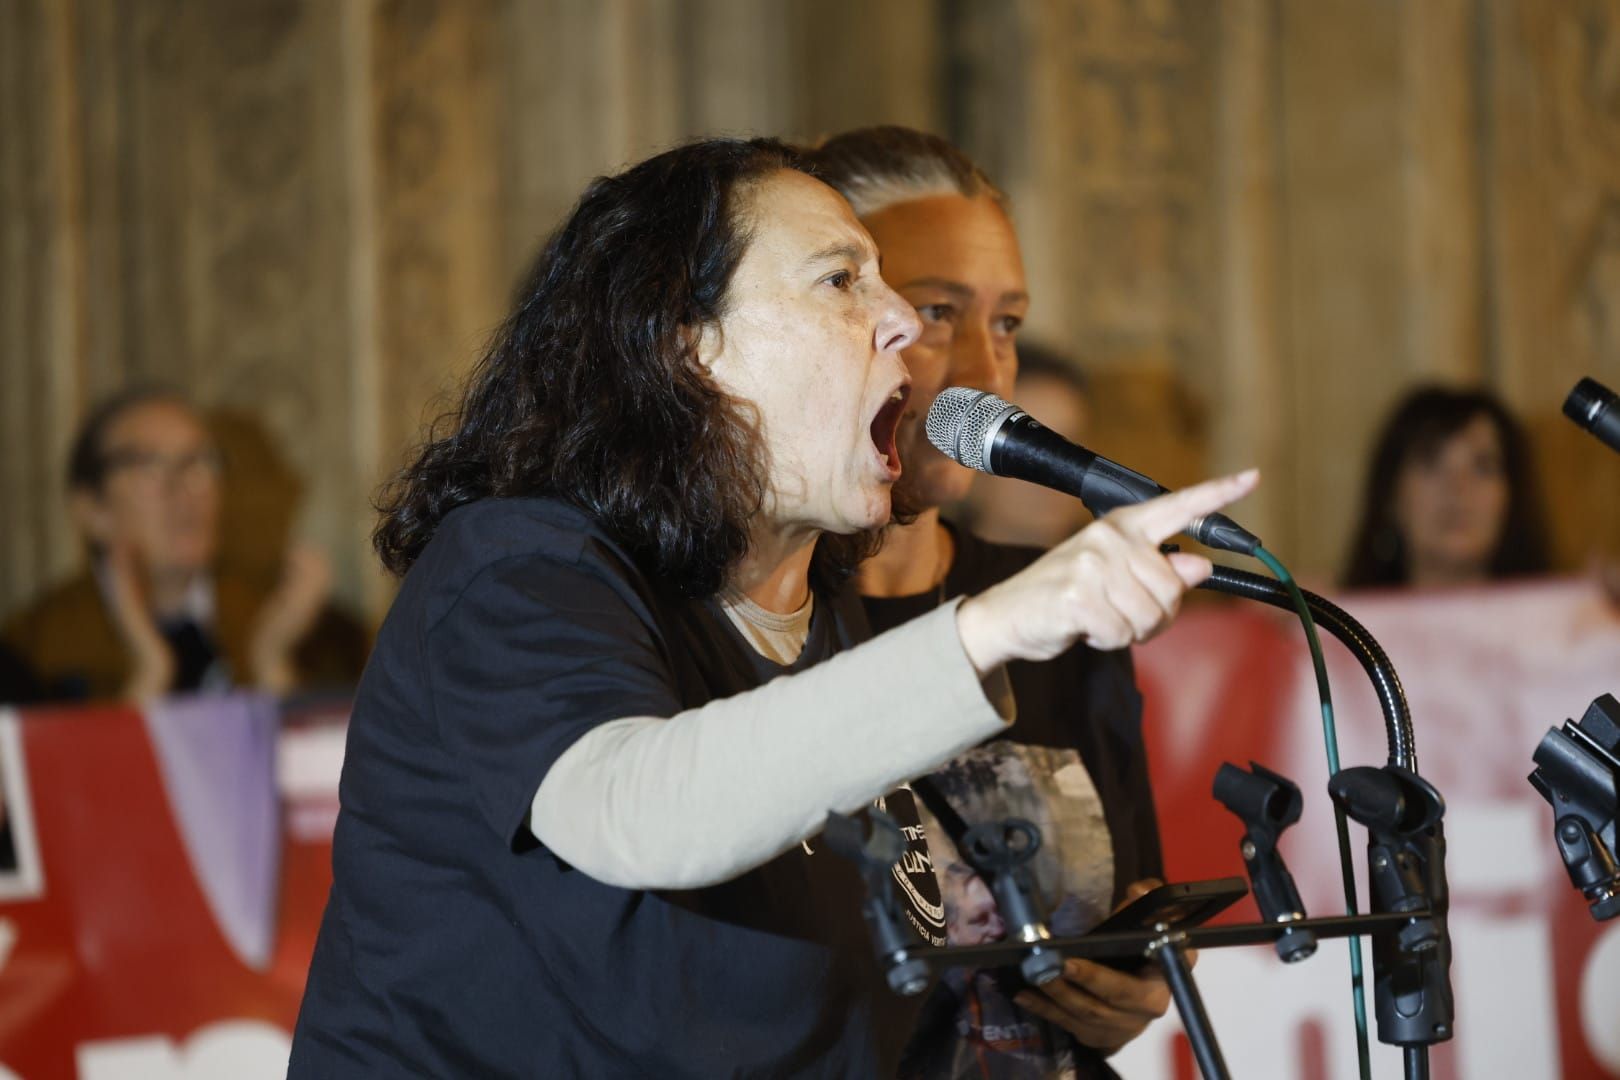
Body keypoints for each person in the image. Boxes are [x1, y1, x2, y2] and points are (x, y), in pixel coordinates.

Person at [287, 136, 1256, 1077]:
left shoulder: (819, 612)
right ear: (685, 349)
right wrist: (995, 627)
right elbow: (637, 811)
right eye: (842, 282)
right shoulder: (515, 566)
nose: (907, 329)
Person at [812, 125, 1174, 1078]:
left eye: (1007, 322)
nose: (986, 368)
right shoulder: (753, 628)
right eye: (937, 312)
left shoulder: (1061, 603)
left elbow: (1127, 909)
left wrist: (1135, 987)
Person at [1, 388, 366, 701]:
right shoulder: (31, 651)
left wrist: (271, 662)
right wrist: (150, 672)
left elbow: (333, 772)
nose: (184, 491)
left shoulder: (308, 630)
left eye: (199, 462)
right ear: (92, 510)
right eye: (149, 466)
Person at [1342, 385, 1550, 590]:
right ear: (1390, 496)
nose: (1458, 487)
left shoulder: (1567, 613)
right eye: (1431, 463)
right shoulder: (1323, 619)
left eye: (1483, 467)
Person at [960, 341, 1097, 549]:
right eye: (1023, 449)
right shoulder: (923, 577)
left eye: (1070, 448)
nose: (1054, 472)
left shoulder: (1125, 571)